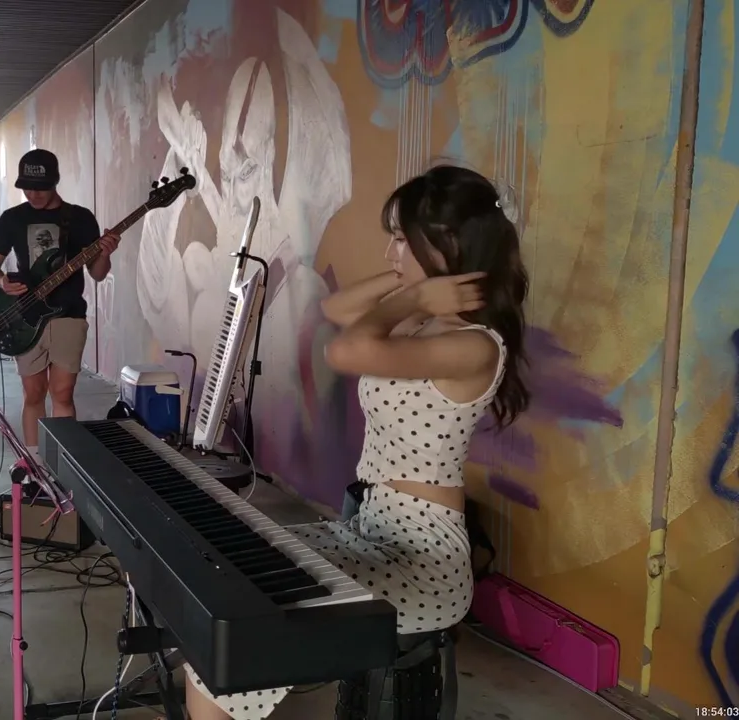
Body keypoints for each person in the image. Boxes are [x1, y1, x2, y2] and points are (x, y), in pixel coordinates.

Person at [182, 165, 530, 720]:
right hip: (367, 529)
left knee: (243, 625)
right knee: (227, 584)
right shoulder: (422, 325)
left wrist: (416, 295)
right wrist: (416, 287)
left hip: (424, 560)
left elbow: (345, 350)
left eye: (402, 239)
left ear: (445, 243)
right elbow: (337, 311)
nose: (391, 252)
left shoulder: (474, 345)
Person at [0, 149, 119, 453]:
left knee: (63, 393)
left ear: (55, 182)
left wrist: (105, 254)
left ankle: (63, 464)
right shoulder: (12, 219)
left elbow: (97, 273)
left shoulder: (80, 218)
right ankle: (35, 464)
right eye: (27, 188)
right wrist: (1, 281)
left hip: (68, 314)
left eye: (40, 188)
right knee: (33, 394)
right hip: (25, 315)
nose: (33, 195)